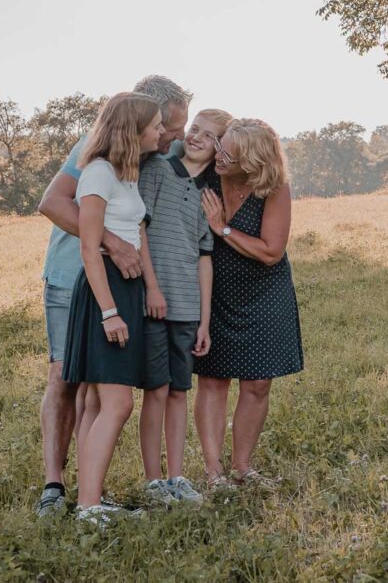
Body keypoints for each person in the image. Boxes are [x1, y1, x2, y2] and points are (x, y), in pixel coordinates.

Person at [35, 75, 192, 517]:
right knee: (66, 380)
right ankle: (55, 487)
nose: (174, 135)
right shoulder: (95, 153)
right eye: (170, 125)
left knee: (96, 396)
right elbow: (52, 202)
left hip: (121, 284)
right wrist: (110, 243)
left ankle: (90, 496)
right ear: (144, 119)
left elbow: (142, 218)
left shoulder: (141, 156)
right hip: (77, 279)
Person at [62, 92, 165, 524]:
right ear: (132, 128)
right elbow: (89, 249)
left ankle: (91, 500)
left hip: (127, 289)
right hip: (104, 290)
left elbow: (133, 233)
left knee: (102, 403)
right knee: (118, 403)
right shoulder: (99, 173)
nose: (162, 132)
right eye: (156, 125)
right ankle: (88, 506)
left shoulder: (127, 174)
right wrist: (109, 312)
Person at [196, 118, 304, 488]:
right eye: (220, 146)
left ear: (254, 163)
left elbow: (272, 252)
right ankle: (214, 472)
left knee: (257, 383)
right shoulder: (206, 175)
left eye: (229, 154)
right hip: (215, 288)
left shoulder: (273, 187)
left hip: (265, 289)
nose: (220, 156)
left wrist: (221, 227)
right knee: (212, 380)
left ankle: (243, 467)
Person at [138, 109, 233, 504]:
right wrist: (152, 288)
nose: (196, 137)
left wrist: (204, 321)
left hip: (188, 308)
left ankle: (177, 477)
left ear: (218, 149)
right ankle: (154, 480)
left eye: (209, 136)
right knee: (156, 391)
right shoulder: (158, 169)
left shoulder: (209, 194)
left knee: (179, 390)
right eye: (195, 129)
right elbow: (138, 228)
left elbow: (203, 257)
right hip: (153, 301)